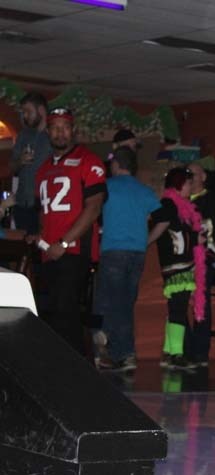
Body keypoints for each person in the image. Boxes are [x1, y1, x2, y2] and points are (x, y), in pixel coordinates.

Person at [35, 107, 106, 355]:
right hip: (48, 252)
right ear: (48, 132)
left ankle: (79, 370)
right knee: (52, 312)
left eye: (65, 127)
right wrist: (40, 237)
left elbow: (94, 207)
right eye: (55, 127)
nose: (60, 132)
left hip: (74, 250)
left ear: (73, 131)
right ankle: (60, 368)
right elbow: (44, 211)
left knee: (65, 309)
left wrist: (64, 243)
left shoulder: (89, 161)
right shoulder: (43, 169)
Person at [93, 147, 161, 371]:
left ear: (116, 164)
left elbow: (90, 212)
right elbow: (164, 219)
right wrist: (147, 240)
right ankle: (119, 352)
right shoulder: (144, 191)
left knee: (108, 302)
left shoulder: (107, 188)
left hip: (113, 251)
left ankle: (112, 349)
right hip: (137, 253)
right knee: (124, 302)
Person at [148, 167, 205, 369]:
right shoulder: (168, 204)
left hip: (182, 264)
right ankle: (176, 355)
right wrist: (145, 241)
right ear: (179, 184)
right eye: (188, 183)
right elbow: (162, 225)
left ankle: (169, 353)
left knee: (177, 307)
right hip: (175, 265)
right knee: (178, 308)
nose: (191, 186)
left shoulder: (180, 206)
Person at [185, 162, 215, 367]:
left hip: (204, 257)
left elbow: (207, 229)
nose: (190, 177)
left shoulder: (211, 200)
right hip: (183, 260)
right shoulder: (181, 199)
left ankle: (200, 353)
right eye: (187, 174)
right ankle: (188, 350)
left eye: (194, 174)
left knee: (200, 303)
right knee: (179, 303)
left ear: (204, 176)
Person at [9, 92, 52, 235]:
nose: (25, 116)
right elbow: (11, 167)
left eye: (28, 111)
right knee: (25, 251)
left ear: (40, 110)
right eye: (24, 112)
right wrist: (20, 161)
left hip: (45, 204)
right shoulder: (23, 135)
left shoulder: (55, 135)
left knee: (43, 248)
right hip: (22, 203)